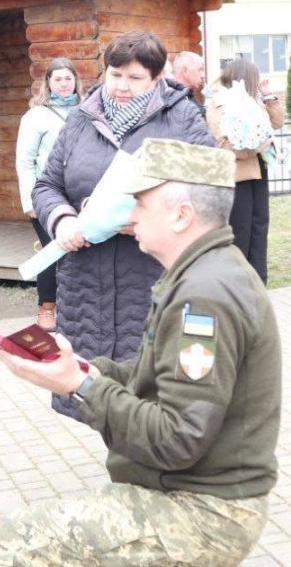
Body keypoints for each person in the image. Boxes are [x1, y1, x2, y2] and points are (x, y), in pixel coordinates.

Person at [0, 139, 282, 567]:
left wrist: (80, 385)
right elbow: (158, 378)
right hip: (196, 491)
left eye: (141, 203)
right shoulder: (203, 273)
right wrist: (85, 370)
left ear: (182, 216)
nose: (130, 215)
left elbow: (178, 437)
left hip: (207, 511)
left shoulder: (203, 296)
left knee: (14, 541)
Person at [33, 31, 214, 417]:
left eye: (135, 78)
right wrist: (62, 218)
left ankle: (151, 468)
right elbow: (48, 184)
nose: (122, 87)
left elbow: (211, 189)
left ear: (156, 78)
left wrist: (151, 217)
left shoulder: (182, 117)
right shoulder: (82, 119)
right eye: (116, 75)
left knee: (156, 397)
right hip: (86, 280)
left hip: (151, 273)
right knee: (96, 392)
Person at [15, 57, 83, 331]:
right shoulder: (36, 116)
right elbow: (25, 160)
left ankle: (75, 309)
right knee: (53, 252)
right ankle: (47, 307)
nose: (64, 84)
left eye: (68, 78)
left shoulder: (87, 110)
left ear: (76, 81)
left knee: (79, 253)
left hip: (81, 196)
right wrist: (30, 200)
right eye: (58, 79)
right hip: (47, 196)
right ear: (48, 83)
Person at [206, 59, 284, 284]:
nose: (257, 82)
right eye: (254, 78)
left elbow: (277, 122)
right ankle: (238, 286)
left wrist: (268, 95)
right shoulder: (218, 105)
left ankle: (258, 282)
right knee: (241, 232)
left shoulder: (253, 101)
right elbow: (226, 146)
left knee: (260, 227)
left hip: (259, 173)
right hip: (236, 178)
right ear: (243, 78)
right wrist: (261, 145)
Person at [172, 50, 207, 115]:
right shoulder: (172, 102)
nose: (203, 75)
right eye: (200, 69)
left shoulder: (188, 95)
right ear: (185, 71)